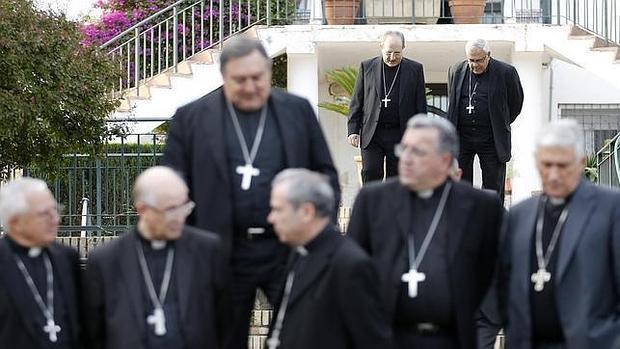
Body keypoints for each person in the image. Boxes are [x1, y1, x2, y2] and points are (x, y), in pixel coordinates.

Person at [161, 37, 340, 349]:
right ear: (224, 77)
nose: (250, 86)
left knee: (302, 336)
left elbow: (325, 175)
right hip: (219, 251)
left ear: (269, 73)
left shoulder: (296, 111)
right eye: (239, 80)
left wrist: (318, 237)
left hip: (287, 249)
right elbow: (171, 189)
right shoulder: (190, 118)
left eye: (257, 78)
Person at [348, 115, 503, 349]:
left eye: (418, 152)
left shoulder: (481, 207)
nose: (406, 158)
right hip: (386, 339)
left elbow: (490, 275)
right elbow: (353, 275)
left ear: (445, 160)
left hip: (452, 340)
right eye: (404, 148)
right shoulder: (372, 201)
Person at [498, 119, 620, 349]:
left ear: (581, 162)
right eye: (547, 164)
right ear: (536, 161)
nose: (553, 175)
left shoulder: (612, 209)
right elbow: (504, 286)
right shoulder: (519, 215)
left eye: (562, 166)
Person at [83, 166, 226, 349]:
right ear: (142, 209)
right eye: (171, 210)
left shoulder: (207, 250)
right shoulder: (105, 261)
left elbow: (225, 323)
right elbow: (93, 335)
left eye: (184, 207)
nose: (179, 217)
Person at [264, 168, 392, 349]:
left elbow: (372, 340)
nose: (271, 218)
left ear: (307, 211)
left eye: (278, 209)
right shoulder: (298, 252)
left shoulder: (350, 264)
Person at [0, 178, 83, 349]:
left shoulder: (67, 258)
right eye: (45, 214)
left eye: (56, 211)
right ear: (15, 222)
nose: (56, 219)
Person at [447, 38, 523, 201]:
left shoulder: (506, 72)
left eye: (479, 60)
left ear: (488, 55)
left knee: (492, 187)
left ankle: (491, 222)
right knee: (460, 185)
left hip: (491, 138)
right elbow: (452, 102)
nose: (474, 65)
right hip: (462, 137)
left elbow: (516, 104)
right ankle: (465, 221)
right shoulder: (456, 70)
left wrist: (500, 122)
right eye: (471, 60)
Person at [348, 30, 427, 183]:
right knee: (370, 171)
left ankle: (394, 207)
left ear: (403, 48)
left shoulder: (415, 69)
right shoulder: (367, 67)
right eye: (388, 52)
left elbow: (420, 104)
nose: (392, 58)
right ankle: (372, 206)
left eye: (397, 53)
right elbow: (357, 100)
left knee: (397, 178)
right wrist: (353, 130)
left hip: (400, 133)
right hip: (372, 132)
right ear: (381, 47)